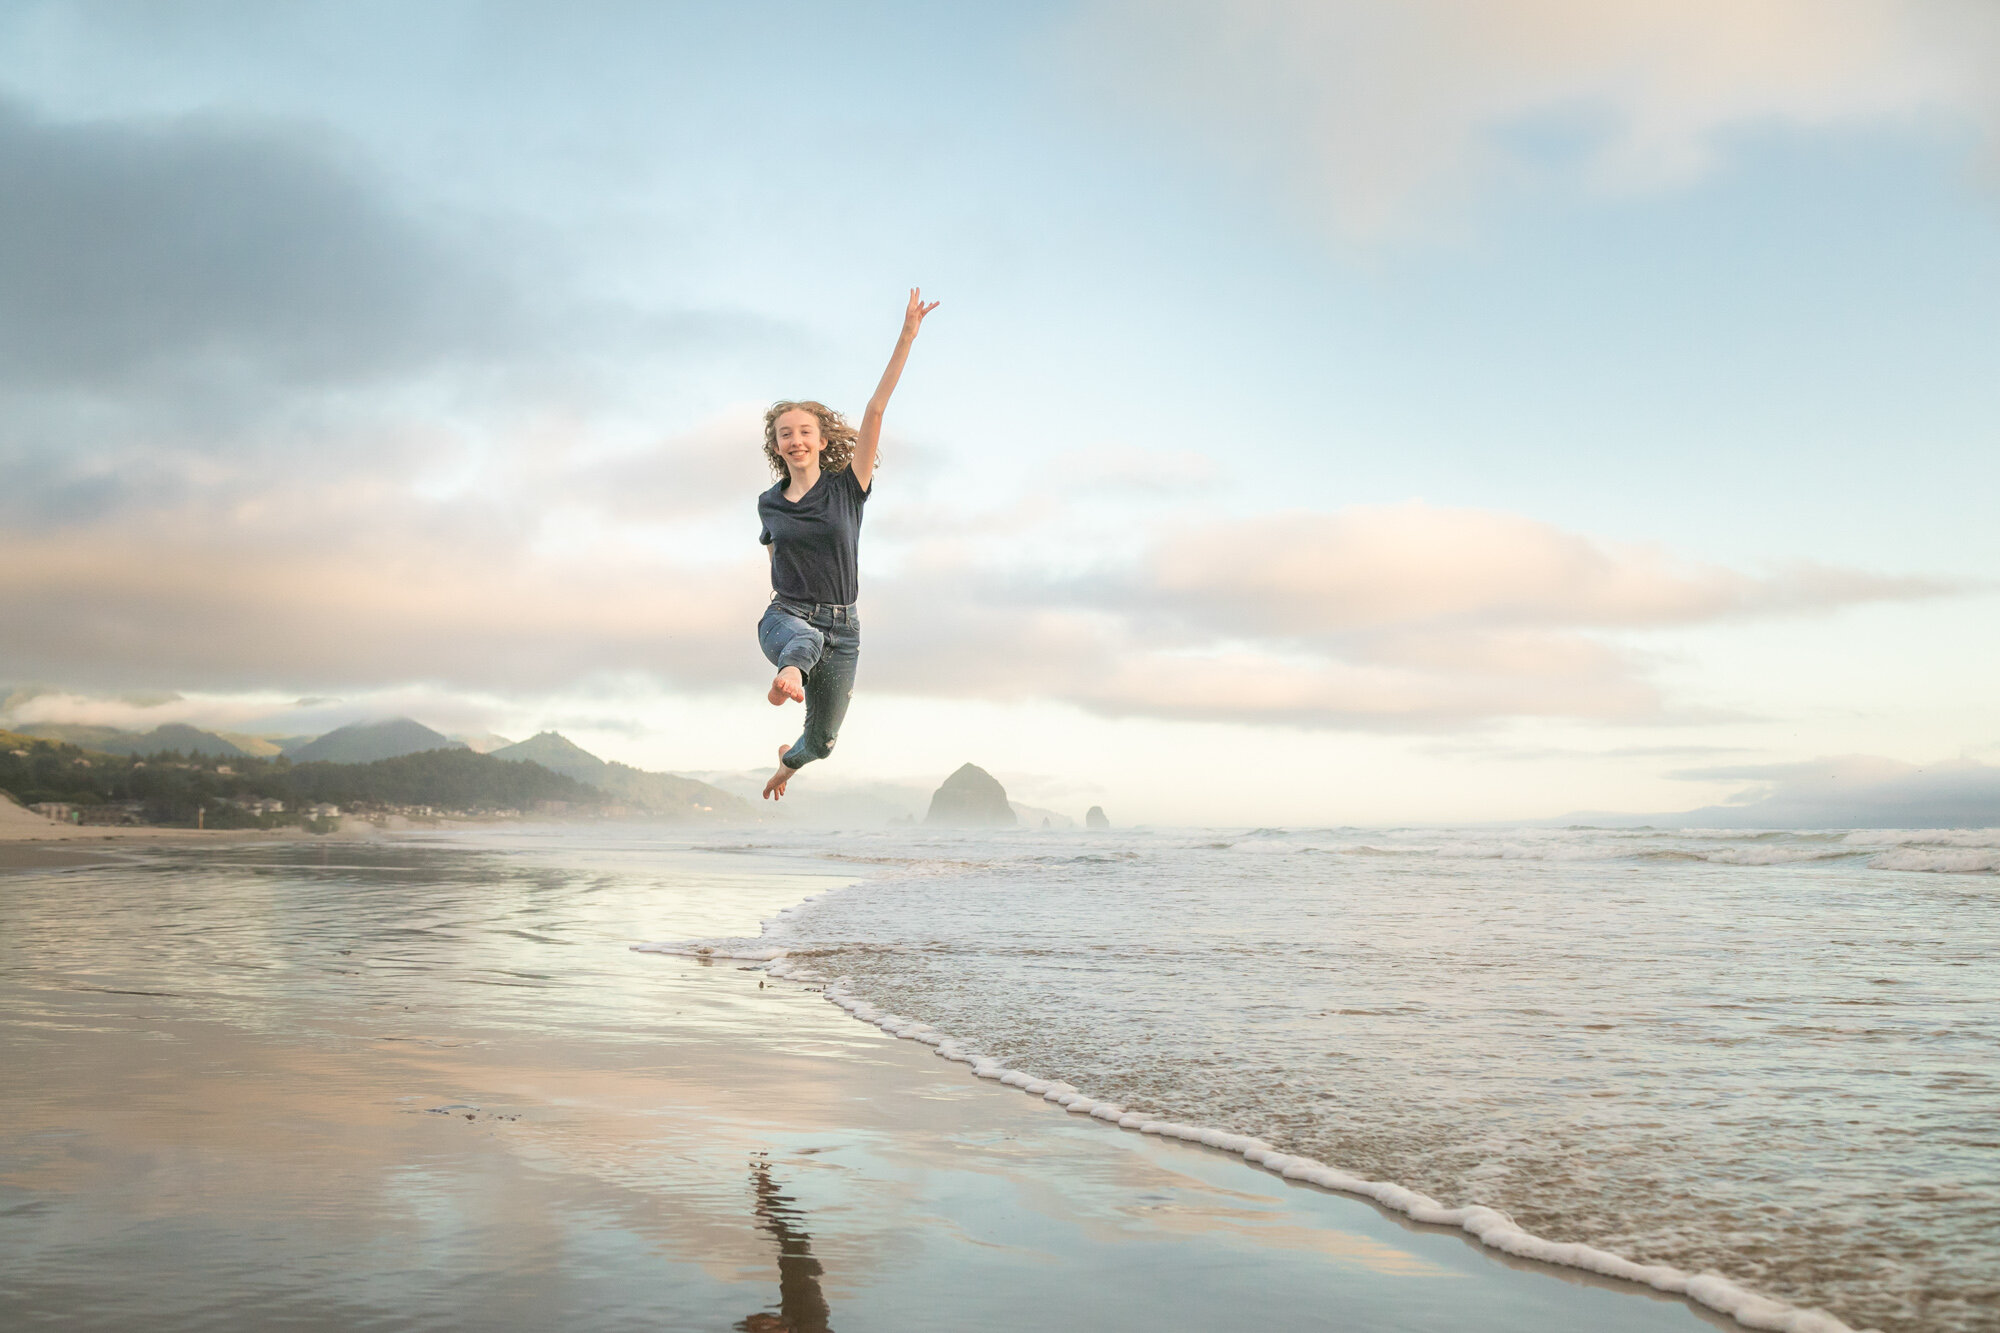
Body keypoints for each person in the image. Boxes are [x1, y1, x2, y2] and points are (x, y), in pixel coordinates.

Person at [755, 288, 938, 801]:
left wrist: (906, 336)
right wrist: (786, 635)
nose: (795, 440)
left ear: (820, 439)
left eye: (804, 431)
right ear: (776, 446)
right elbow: (774, 556)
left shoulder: (846, 489)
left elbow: (876, 411)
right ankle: (787, 672)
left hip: (844, 626)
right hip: (786, 617)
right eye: (785, 433)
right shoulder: (769, 502)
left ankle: (787, 762)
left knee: (824, 742)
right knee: (803, 645)